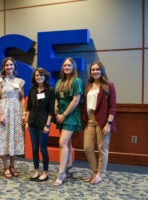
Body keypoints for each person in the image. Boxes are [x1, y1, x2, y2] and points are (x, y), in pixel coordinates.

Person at [82, 61, 116, 185]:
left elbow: (113, 107)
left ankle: (100, 174)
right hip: (89, 119)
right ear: (90, 72)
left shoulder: (108, 86)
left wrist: (109, 124)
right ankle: (94, 171)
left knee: (102, 148)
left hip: (103, 120)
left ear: (102, 71)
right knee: (87, 148)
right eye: (93, 70)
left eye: (97, 69)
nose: (95, 72)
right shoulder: (88, 86)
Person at [53, 58, 83, 186]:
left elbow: (76, 100)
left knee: (62, 142)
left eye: (69, 65)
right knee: (68, 142)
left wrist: (64, 114)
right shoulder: (60, 81)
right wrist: (55, 106)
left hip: (70, 115)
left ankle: (61, 174)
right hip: (60, 115)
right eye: (65, 65)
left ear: (73, 67)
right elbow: (57, 97)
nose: (67, 67)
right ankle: (69, 167)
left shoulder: (77, 81)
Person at [0, 57, 26, 179]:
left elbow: (22, 98)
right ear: (3, 67)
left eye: (11, 65)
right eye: (6, 65)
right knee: (3, 138)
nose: (9, 67)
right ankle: (5, 166)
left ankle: (13, 165)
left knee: (14, 138)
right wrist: (1, 114)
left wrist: (23, 113)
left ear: (14, 66)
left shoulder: (19, 81)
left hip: (16, 112)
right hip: (4, 111)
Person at [25, 68, 55, 182]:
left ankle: (45, 172)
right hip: (32, 122)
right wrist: (27, 121)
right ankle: (36, 170)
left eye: (41, 75)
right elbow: (28, 108)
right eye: (37, 75)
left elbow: (51, 111)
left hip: (43, 124)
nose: (39, 77)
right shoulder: (32, 89)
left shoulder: (50, 90)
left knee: (42, 148)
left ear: (45, 77)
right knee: (34, 148)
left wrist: (47, 125)